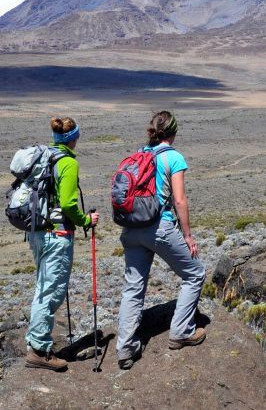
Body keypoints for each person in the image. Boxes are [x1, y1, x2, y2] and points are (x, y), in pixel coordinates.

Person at [116, 111, 206, 370]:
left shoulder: (139, 154)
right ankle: (181, 331)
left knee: (133, 288)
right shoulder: (173, 157)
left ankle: (125, 349)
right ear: (174, 132)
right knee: (195, 273)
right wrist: (188, 236)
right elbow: (179, 200)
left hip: (131, 229)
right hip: (159, 227)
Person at [25, 117, 100, 371]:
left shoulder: (46, 157)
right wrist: (86, 220)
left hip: (38, 234)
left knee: (43, 288)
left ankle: (36, 344)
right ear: (73, 139)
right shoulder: (67, 162)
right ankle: (39, 351)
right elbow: (68, 204)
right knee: (51, 292)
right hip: (57, 235)